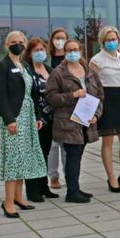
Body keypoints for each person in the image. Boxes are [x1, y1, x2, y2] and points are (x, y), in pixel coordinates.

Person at [0, 31, 47, 217]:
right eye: (13, 42)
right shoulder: (2, 66)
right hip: (13, 116)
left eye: (21, 41)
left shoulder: (25, 65)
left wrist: (37, 116)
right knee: (13, 158)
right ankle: (8, 202)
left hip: (28, 115)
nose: (18, 44)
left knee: (24, 156)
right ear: (7, 45)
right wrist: (9, 120)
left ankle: (18, 197)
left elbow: (33, 93)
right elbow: (0, 96)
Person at [45, 39, 103, 204]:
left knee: (77, 156)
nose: (73, 53)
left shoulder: (89, 71)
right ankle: (72, 192)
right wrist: (73, 95)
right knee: (73, 155)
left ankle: (75, 187)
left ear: (81, 51)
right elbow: (51, 97)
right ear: (64, 52)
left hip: (86, 122)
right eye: (69, 50)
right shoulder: (58, 73)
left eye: (75, 49)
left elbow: (100, 95)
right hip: (68, 122)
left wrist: (96, 115)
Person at [89, 26, 120, 192]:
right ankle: (111, 177)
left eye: (114, 39)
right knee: (107, 140)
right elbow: (92, 84)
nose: (111, 42)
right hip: (105, 100)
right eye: (108, 40)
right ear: (102, 41)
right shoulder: (96, 60)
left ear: (118, 40)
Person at [22, 38, 59, 203]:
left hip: (50, 118)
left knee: (44, 152)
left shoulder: (49, 69)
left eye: (42, 49)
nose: (40, 53)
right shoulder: (27, 70)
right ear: (29, 53)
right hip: (35, 118)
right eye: (36, 50)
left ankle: (44, 187)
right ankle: (32, 190)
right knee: (33, 154)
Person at [46, 28, 69, 189]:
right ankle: (53, 176)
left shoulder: (71, 58)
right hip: (50, 105)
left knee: (67, 144)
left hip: (68, 104)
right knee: (53, 145)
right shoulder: (47, 58)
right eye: (57, 38)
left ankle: (69, 175)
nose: (60, 41)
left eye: (63, 38)